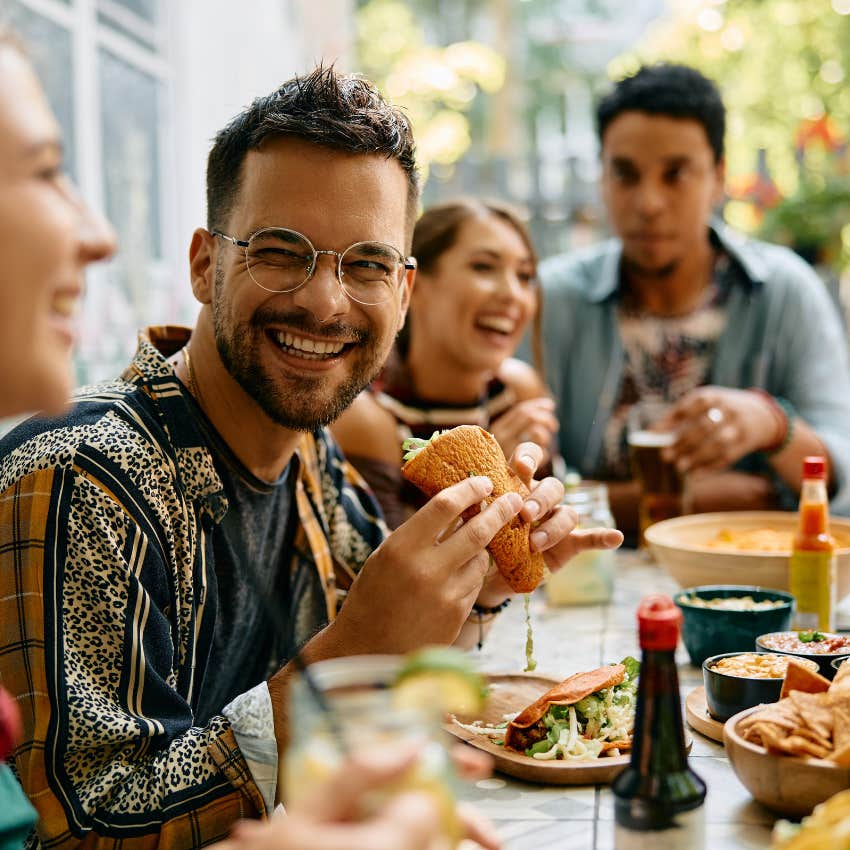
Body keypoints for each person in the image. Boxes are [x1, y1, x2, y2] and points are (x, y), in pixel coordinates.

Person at [0, 64, 621, 849]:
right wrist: (348, 655)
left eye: (366, 265)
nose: (326, 302)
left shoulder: (312, 459)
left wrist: (476, 588)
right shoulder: (77, 480)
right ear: (204, 265)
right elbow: (76, 830)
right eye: (280, 251)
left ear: (403, 293)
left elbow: (389, 667)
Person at [538, 62, 850, 535]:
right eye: (625, 174)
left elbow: (837, 477)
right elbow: (519, 492)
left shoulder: (785, 290)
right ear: (601, 176)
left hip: (750, 571)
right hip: (589, 577)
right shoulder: (552, 299)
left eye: (676, 174)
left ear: (718, 177)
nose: (649, 202)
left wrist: (771, 424)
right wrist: (695, 502)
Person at [333, 198, 559, 530]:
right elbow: (387, 560)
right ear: (413, 286)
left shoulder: (518, 392)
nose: (513, 293)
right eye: (483, 267)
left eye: (525, 276)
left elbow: (539, 541)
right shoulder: (369, 418)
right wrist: (488, 477)